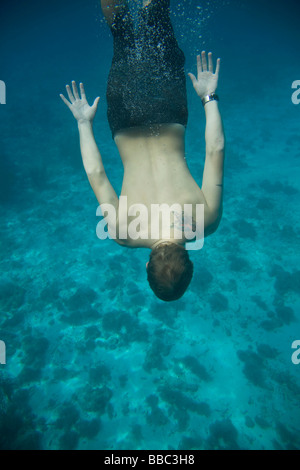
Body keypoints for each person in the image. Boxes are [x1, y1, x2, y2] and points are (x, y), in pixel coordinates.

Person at [60, 0, 225, 301]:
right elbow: (96, 174)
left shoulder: (206, 221)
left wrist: (209, 96)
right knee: (121, 33)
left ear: (191, 260)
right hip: (124, 119)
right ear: (147, 265)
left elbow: (215, 149)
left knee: (157, 16)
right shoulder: (122, 233)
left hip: (169, 110)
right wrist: (84, 123)